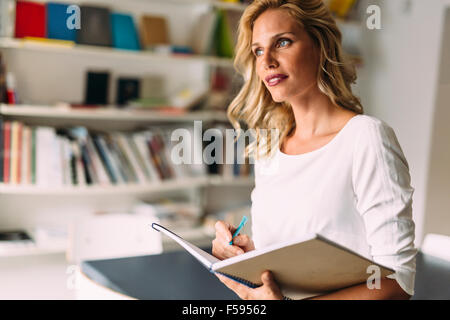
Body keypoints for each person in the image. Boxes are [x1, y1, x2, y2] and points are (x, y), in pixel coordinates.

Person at [212, 0, 417, 300]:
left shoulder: (366, 138)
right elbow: (294, 269)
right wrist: (245, 257)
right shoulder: (269, 148)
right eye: (257, 50)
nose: (266, 60)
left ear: (320, 46)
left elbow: (398, 283)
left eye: (282, 42)